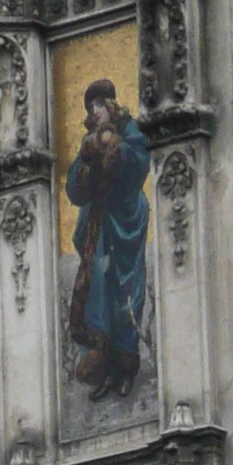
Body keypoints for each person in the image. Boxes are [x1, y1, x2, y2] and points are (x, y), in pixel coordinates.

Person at [65, 77, 152, 399]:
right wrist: (89, 161)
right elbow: (73, 188)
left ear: (111, 106)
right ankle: (106, 367)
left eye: (100, 105)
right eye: (91, 108)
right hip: (100, 225)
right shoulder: (88, 142)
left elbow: (140, 161)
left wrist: (116, 151)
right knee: (99, 291)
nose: (96, 112)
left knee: (127, 290)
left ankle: (127, 369)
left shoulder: (129, 131)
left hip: (127, 219)